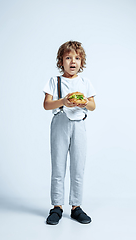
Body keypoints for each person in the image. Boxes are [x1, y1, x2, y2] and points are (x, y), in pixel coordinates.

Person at [43, 40, 96, 225]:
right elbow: (46, 104)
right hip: (60, 123)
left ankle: (76, 207)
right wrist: (63, 102)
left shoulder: (85, 82)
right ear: (61, 61)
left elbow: (93, 106)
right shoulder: (54, 81)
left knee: (77, 166)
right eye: (68, 57)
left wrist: (83, 103)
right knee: (58, 167)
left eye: (77, 58)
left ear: (81, 62)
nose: (72, 61)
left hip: (79, 125)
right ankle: (57, 206)